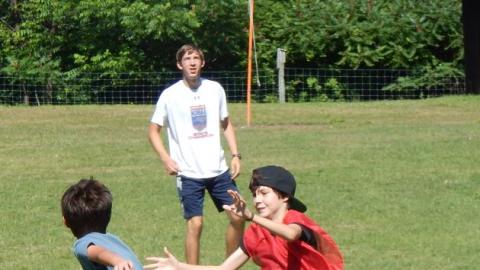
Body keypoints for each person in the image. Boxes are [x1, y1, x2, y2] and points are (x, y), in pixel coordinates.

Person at [148, 44, 244, 264]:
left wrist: (236, 155)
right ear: (179, 64)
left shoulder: (215, 89)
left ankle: (228, 267)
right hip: (188, 173)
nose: (192, 62)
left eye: (196, 58)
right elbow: (153, 130)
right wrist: (165, 158)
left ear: (202, 62)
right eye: (187, 58)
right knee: (196, 223)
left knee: (238, 217)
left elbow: (226, 123)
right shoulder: (169, 95)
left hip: (218, 170)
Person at [144, 165, 344, 270]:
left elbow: (291, 235)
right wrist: (180, 267)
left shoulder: (295, 219)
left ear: (284, 197)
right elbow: (224, 269)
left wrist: (251, 216)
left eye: (264, 193)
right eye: (254, 194)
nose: (257, 200)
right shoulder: (256, 234)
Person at [61, 178, 143, 270]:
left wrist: (117, 261)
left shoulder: (82, 244)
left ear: (65, 222)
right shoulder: (114, 240)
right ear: (108, 217)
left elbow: (99, 253)